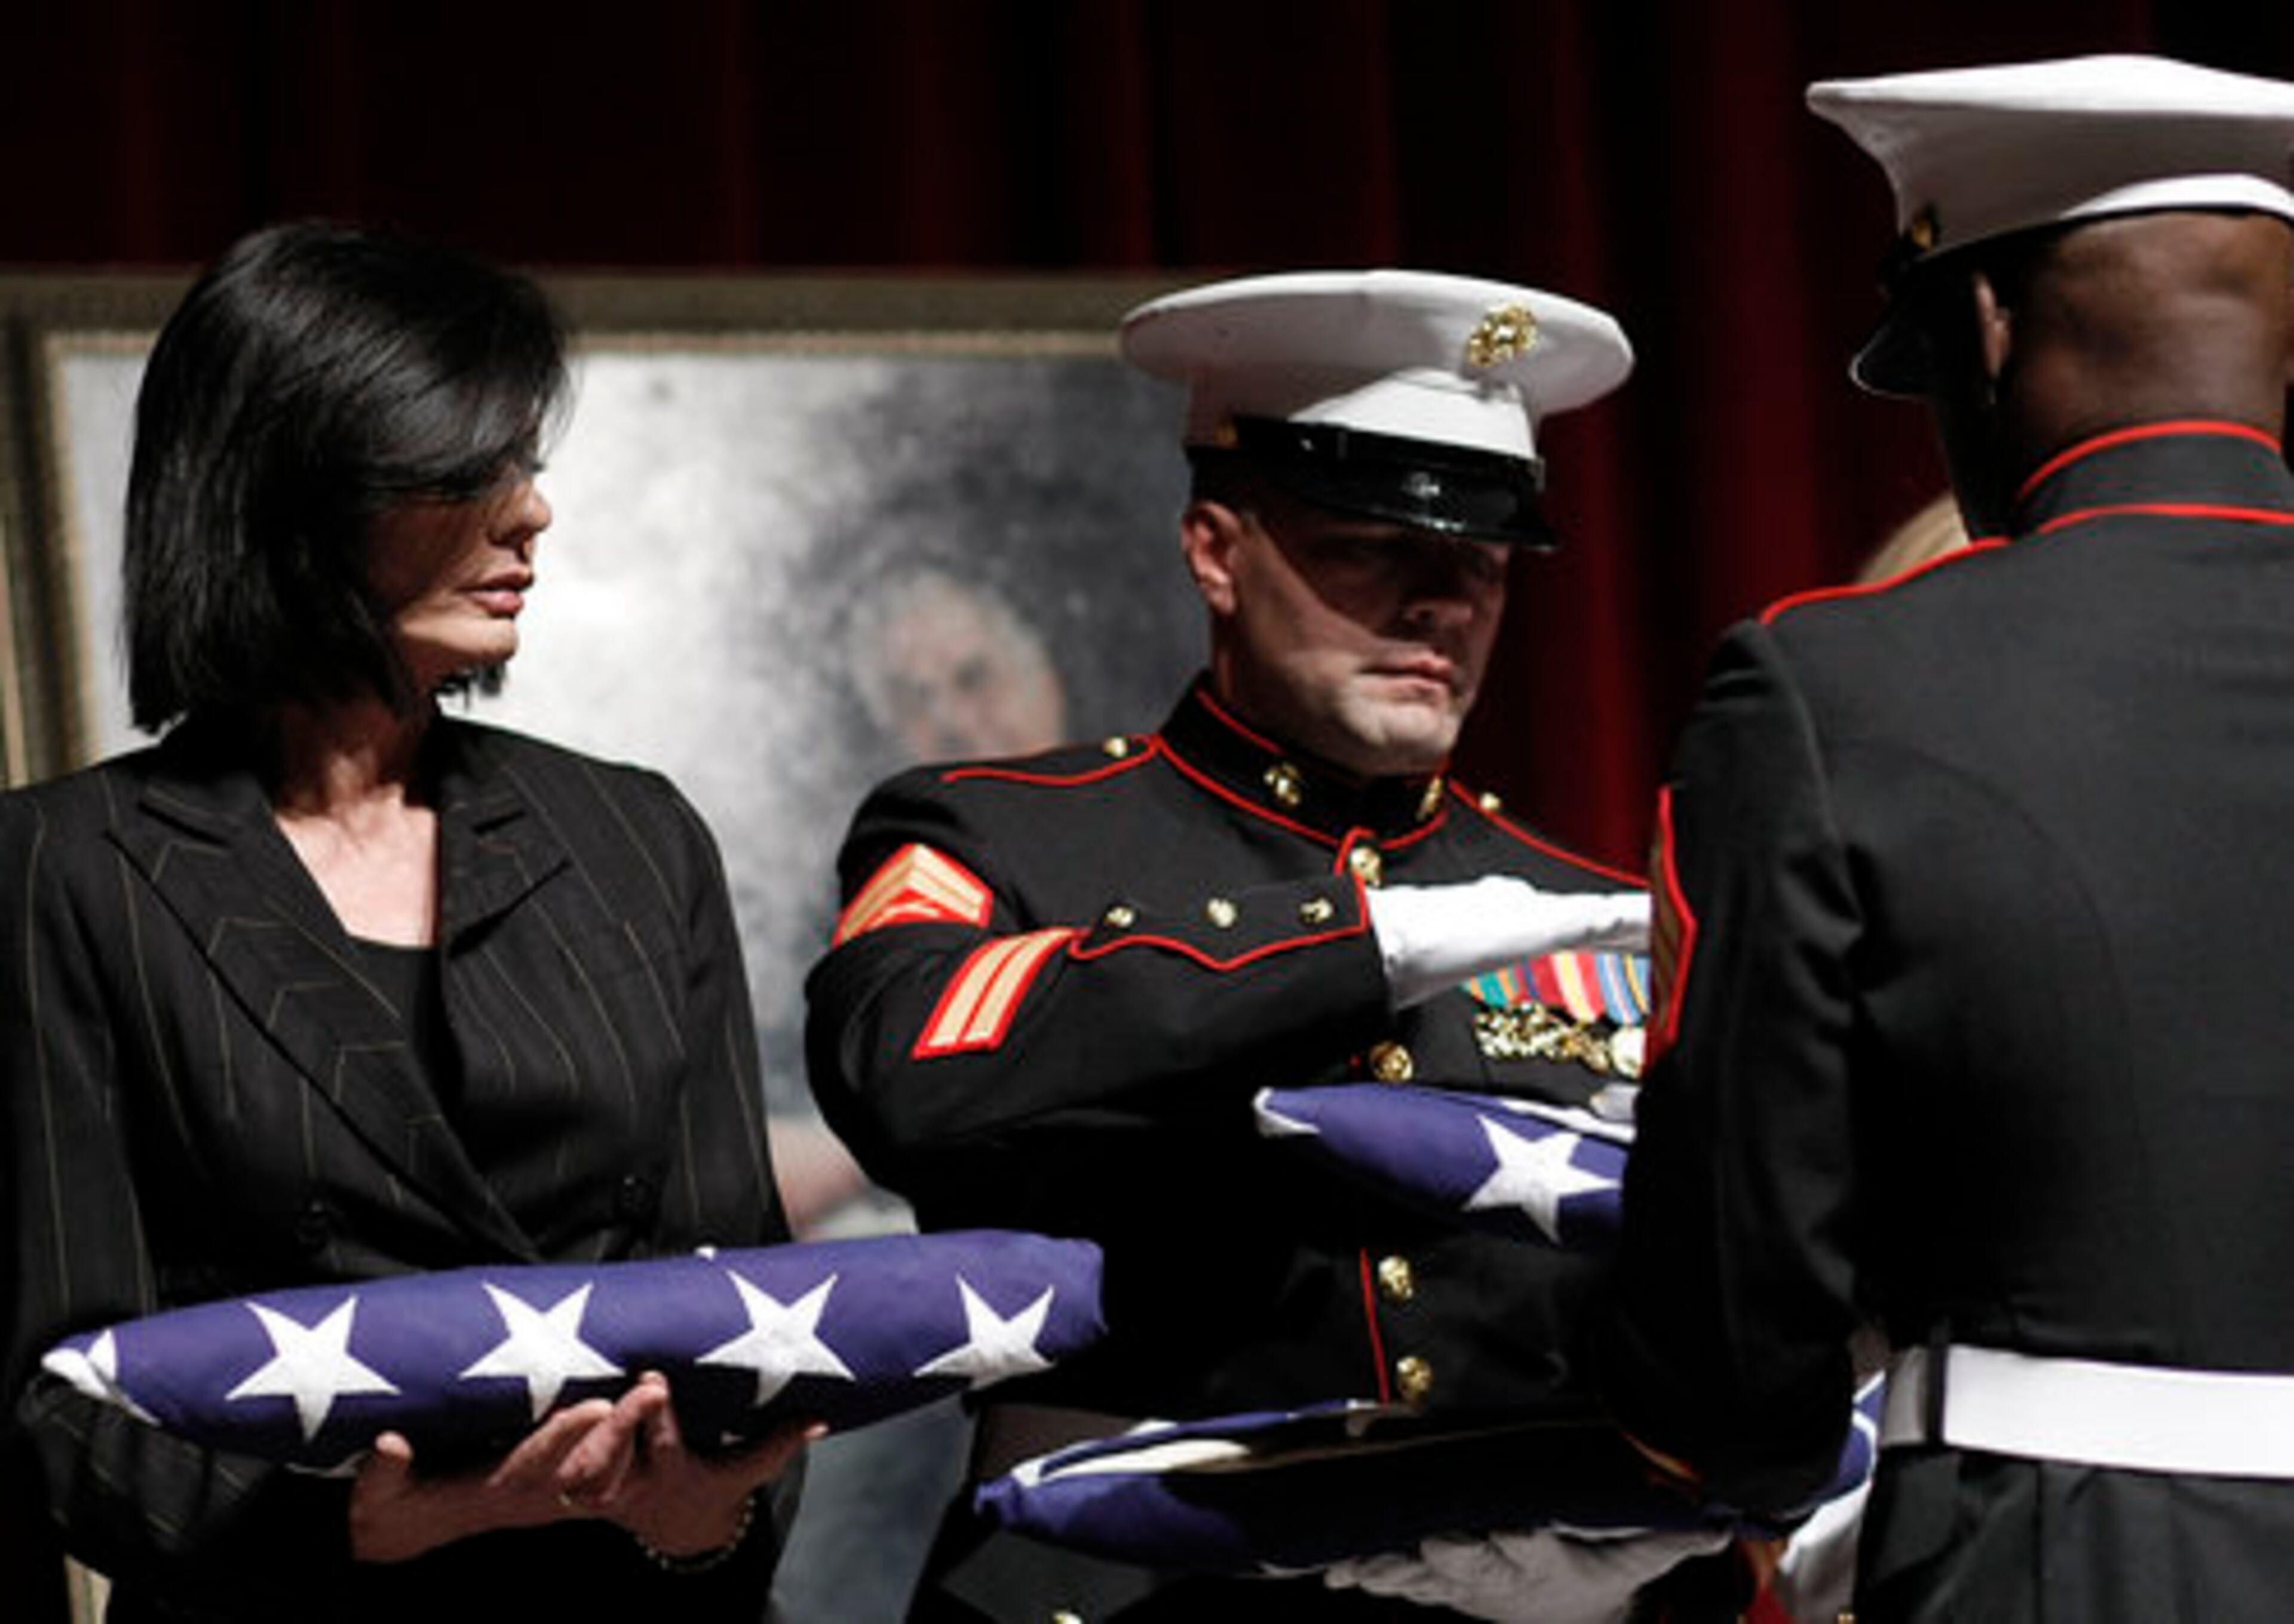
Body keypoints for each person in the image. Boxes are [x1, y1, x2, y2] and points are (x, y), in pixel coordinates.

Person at [807, 269, 1691, 1617]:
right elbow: (909, 1071)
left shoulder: (1592, 906)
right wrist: (1362, 941)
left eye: (1479, 559)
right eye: (1368, 547)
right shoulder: (1009, 838)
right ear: (1217, 550)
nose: (1438, 604)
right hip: (1130, 1586)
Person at [0, 221, 811, 1621]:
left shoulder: (631, 835)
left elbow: (746, 1296)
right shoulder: (67, 864)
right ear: (290, 496)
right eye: (466, 469)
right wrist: (376, 1528)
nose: (530, 513)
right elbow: (54, 1386)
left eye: (527, 463)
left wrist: (707, 1512)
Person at [1602, 54, 2294, 1621]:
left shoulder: (1835, 689)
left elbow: (1737, 1297)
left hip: (2063, 1551)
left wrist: (1715, 1447)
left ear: (1982, 332)